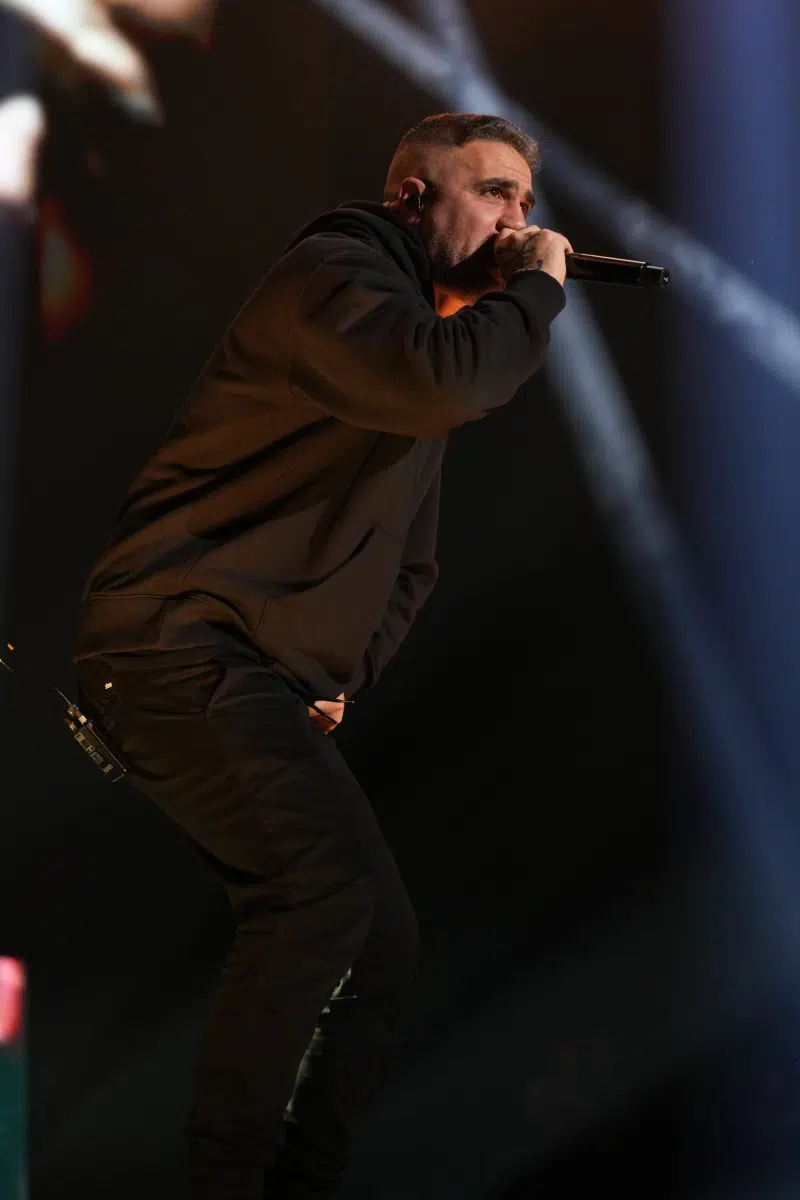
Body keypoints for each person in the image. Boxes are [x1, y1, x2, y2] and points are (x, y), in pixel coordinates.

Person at [74, 111, 572, 1200]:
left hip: (235, 663)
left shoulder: (410, 340)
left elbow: (410, 568)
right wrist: (536, 289)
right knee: (319, 897)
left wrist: (336, 672)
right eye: (492, 193)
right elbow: (449, 380)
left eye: (526, 203)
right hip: (169, 641)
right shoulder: (336, 272)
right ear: (412, 199)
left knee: (378, 944)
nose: (517, 220)